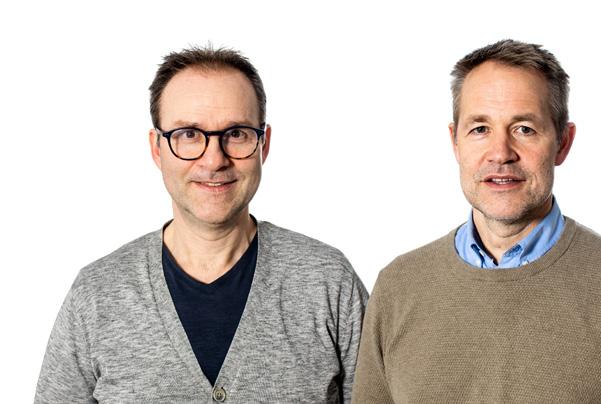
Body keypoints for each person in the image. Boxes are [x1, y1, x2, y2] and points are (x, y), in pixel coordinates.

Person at [352, 39, 601, 403]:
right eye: (480, 129)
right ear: (455, 142)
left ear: (563, 142)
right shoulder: (397, 288)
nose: (501, 153)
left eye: (524, 129)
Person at [35, 45, 368, 403]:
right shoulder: (96, 295)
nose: (213, 160)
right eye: (189, 134)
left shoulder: (328, 282)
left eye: (236, 133)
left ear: (264, 144)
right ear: (157, 148)